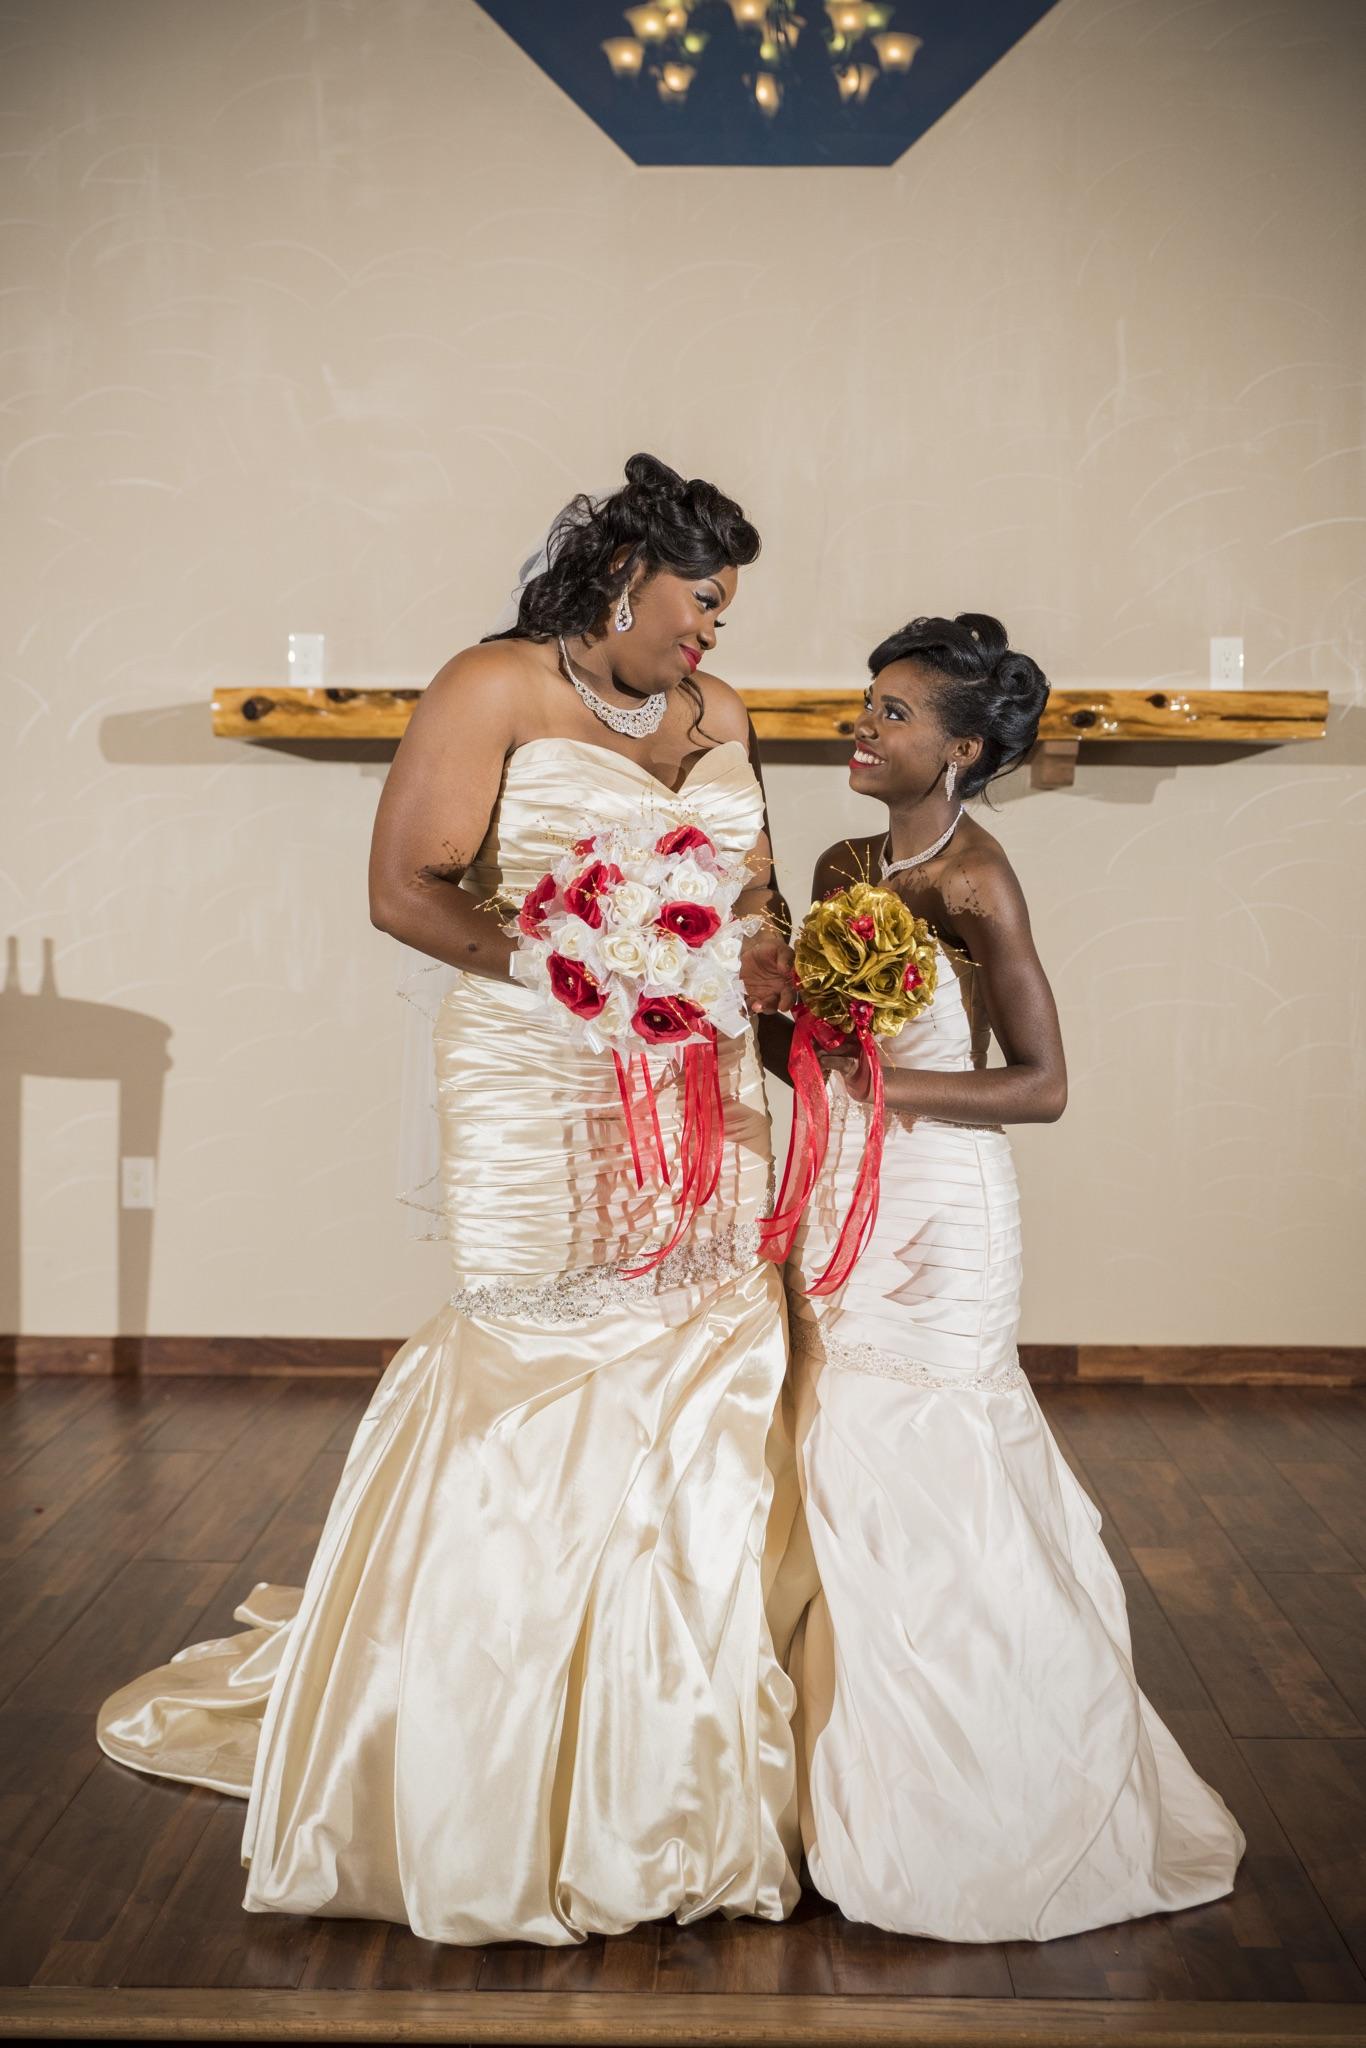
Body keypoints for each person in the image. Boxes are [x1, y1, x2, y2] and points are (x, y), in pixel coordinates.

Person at [98, 454, 804, 1946]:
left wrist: (768, 967)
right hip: (535, 1071)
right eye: (697, 605)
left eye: (726, 616)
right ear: (624, 574)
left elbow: (756, 897)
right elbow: (405, 889)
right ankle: (487, 1726)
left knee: (713, 1363)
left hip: (703, 1085)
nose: (710, 642)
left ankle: (662, 1721)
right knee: (539, 1361)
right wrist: (582, 973)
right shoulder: (488, 686)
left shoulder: (717, 718)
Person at [768, 613, 1244, 1942]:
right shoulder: (836, 861)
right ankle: (840, 1771)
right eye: (861, 708)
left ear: (962, 748)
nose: (859, 730)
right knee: (832, 1445)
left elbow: (1040, 1086)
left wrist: (882, 1083)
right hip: (843, 1187)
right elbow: (796, 1049)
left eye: (892, 715)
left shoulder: (979, 879)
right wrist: (767, 1014)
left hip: (946, 1206)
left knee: (924, 1449)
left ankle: (989, 1790)